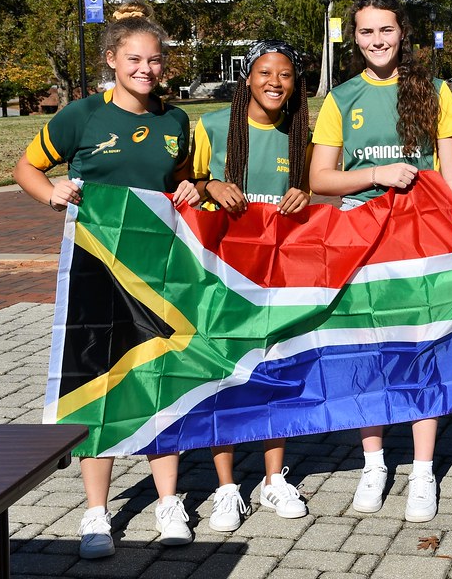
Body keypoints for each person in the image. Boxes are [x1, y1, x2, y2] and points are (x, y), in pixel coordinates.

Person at [12, 1, 200, 558]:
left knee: (162, 378)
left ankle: (169, 503)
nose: (147, 69)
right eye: (134, 59)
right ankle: (95, 514)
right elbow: (25, 167)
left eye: (155, 60)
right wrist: (52, 193)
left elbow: (182, 179)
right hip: (96, 274)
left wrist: (191, 189)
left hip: (160, 275)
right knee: (93, 380)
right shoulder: (82, 116)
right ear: (113, 61)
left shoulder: (175, 121)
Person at [308, 0, 452, 524]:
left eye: (385, 30)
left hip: (428, 241)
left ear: (401, 32)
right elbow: (320, 180)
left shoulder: (434, 90)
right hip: (362, 242)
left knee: (423, 351)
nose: (376, 41)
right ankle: (373, 462)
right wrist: (375, 175)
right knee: (368, 352)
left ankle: (423, 469)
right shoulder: (341, 98)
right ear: (354, 38)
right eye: (365, 32)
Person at [190, 39, 312, 532]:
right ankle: (225, 488)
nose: (275, 82)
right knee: (222, 374)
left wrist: (305, 194)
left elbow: (316, 189)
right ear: (247, 77)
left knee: (274, 374)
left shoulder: (299, 133)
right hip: (220, 276)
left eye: (285, 74)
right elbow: (181, 185)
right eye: (265, 72)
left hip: (276, 280)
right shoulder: (214, 127)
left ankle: (272, 479)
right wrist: (209, 186)